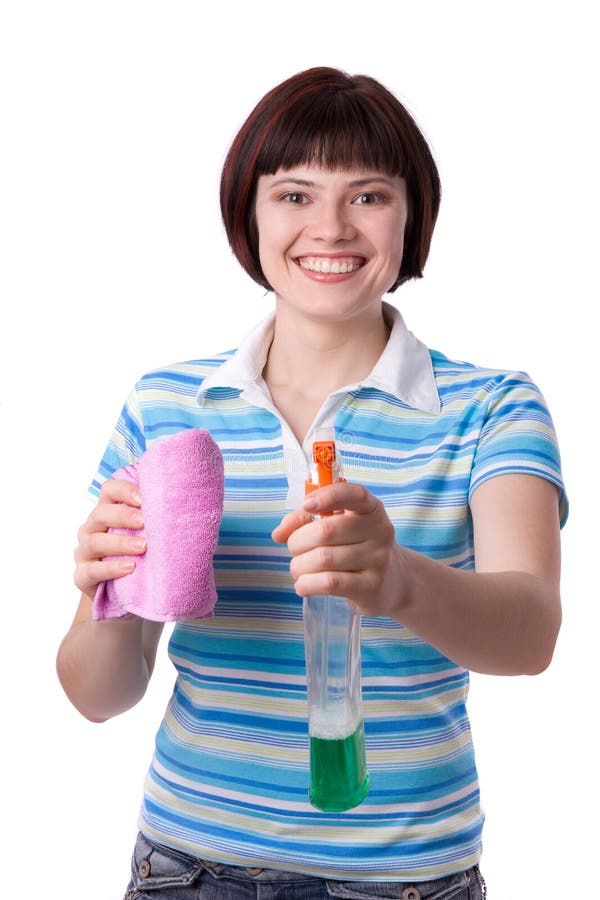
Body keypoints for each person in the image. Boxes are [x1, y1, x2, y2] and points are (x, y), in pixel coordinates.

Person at [57, 67, 567, 899]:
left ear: (412, 217)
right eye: (293, 194)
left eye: (368, 196)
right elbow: (97, 695)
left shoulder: (490, 407)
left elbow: (532, 634)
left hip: (403, 877)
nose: (329, 226)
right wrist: (114, 597)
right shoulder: (169, 409)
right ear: (249, 214)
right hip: (186, 868)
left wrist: (398, 578)